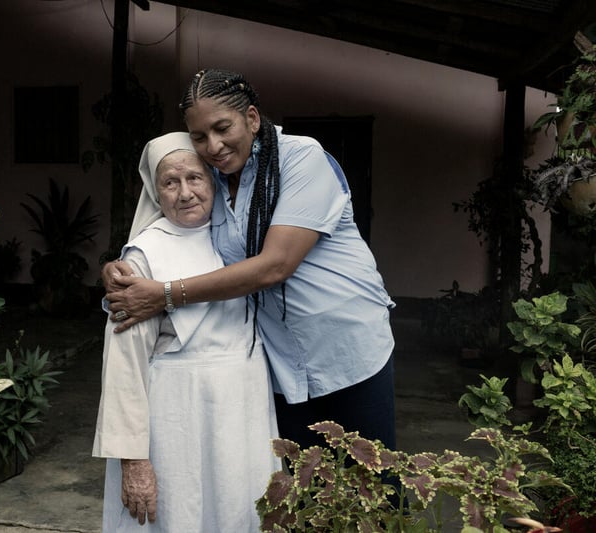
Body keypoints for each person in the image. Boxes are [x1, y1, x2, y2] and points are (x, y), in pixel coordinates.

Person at [104, 68, 398, 457]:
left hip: (346, 350)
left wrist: (166, 294)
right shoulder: (211, 176)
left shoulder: (301, 159)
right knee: (298, 486)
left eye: (223, 128)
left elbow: (275, 265)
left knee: (374, 480)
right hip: (281, 366)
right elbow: (173, 217)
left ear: (252, 118)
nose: (213, 145)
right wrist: (125, 262)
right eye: (199, 136)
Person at [92, 131, 279, 532]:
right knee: (180, 515)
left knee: (241, 510)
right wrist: (133, 460)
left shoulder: (243, 235)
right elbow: (125, 365)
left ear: (212, 179)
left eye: (194, 178)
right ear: (155, 192)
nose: (185, 193)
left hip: (243, 409)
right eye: (170, 182)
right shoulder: (144, 255)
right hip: (178, 416)